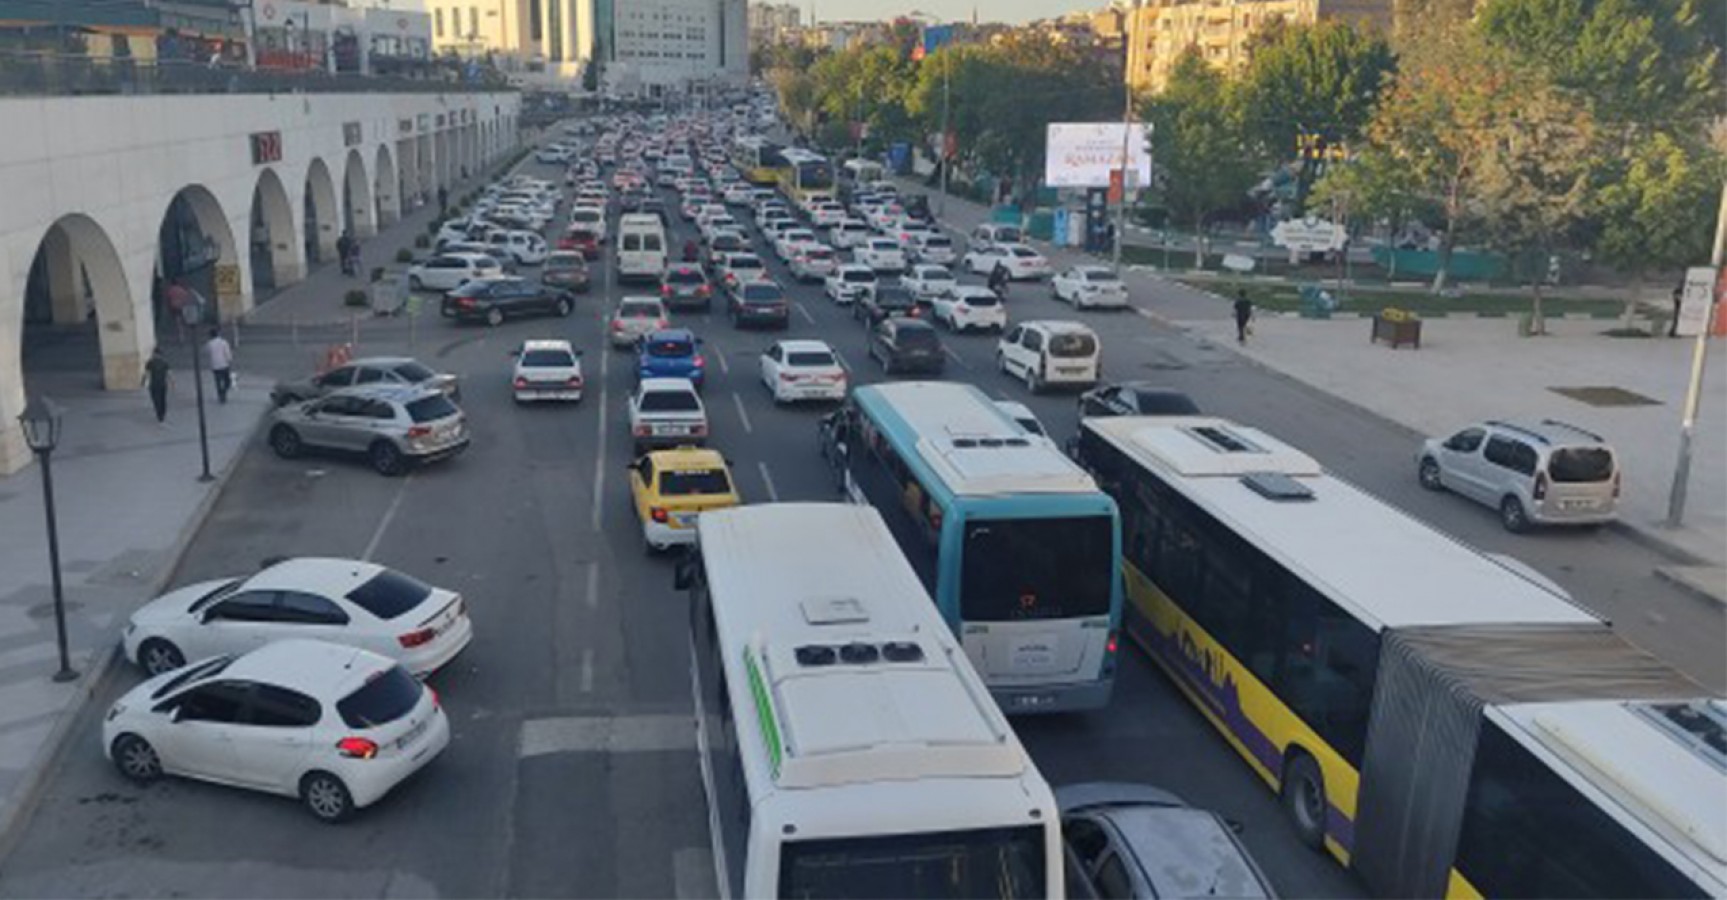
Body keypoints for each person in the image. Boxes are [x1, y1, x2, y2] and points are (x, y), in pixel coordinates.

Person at [142, 347, 171, 424]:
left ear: (154, 354)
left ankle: (159, 413)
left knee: (156, 399)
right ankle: (162, 412)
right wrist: (172, 382)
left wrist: (143, 381)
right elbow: (169, 374)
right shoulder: (165, 362)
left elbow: (146, 373)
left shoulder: (150, 363)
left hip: (154, 384)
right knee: (162, 399)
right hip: (163, 384)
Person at [206, 328, 234, 404]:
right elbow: (227, 353)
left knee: (218, 381)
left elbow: (208, 352)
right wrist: (230, 360)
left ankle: (220, 395)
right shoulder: (224, 342)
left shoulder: (209, 344)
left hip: (215, 365)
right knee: (227, 381)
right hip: (224, 364)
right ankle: (223, 392)